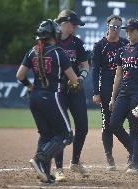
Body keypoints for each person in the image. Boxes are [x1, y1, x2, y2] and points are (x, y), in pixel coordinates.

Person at [16, 19, 80, 183]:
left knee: (46, 135)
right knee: (66, 135)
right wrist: (74, 85)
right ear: (53, 34)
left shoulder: (33, 51)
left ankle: (44, 174)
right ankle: (40, 159)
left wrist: (30, 86)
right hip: (53, 97)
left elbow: (20, 76)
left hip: (35, 97)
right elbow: (73, 79)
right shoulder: (59, 53)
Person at [109, 18, 138, 174]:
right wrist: (113, 97)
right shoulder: (122, 50)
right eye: (126, 31)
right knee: (114, 124)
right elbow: (118, 75)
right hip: (124, 91)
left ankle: (135, 162)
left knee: (134, 126)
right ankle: (135, 152)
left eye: (131, 30)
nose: (128, 33)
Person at [54, 10, 90, 181]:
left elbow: (85, 66)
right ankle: (59, 169)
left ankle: (75, 161)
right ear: (64, 22)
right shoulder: (50, 40)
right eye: (74, 24)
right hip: (57, 91)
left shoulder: (77, 43)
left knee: (82, 127)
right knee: (61, 130)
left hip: (75, 90)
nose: (75, 27)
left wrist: (79, 79)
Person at [92, 15, 128, 171]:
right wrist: (96, 92)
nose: (115, 29)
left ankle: (133, 154)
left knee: (130, 121)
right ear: (107, 26)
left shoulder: (126, 44)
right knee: (107, 123)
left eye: (118, 27)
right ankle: (109, 157)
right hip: (106, 86)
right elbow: (95, 71)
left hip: (125, 87)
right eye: (113, 26)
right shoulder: (100, 45)